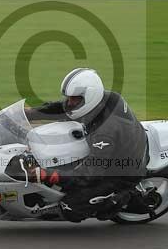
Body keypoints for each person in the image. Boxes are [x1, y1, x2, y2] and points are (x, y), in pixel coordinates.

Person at [26, 68, 148, 222]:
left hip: (122, 172)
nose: (69, 103)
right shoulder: (103, 98)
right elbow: (61, 108)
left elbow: (89, 173)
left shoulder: (104, 131)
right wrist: (30, 113)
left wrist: (48, 175)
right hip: (121, 145)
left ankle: (126, 196)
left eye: (74, 99)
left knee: (70, 207)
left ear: (89, 96)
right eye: (69, 98)